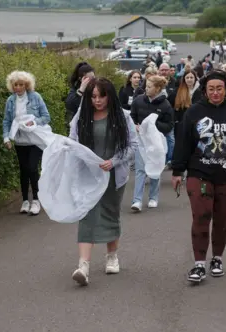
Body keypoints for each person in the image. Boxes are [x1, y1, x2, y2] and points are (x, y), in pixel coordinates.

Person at [171, 70, 226, 284]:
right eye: (211, 89)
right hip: (199, 172)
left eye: (219, 88)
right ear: (205, 90)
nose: (215, 92)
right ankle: (199, 264)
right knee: (201, 216)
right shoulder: (194, 112)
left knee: (222, 219)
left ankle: (217, 259)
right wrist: (177, 171)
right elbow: (183, 141)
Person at [69, 77, 138, 286]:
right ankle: (83, 266)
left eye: (101, 96)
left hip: (113, 176)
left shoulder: (123, 117)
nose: (97, 101)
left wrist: (114, 161)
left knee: (110, 213)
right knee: (87, 215)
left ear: (110, 96)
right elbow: (73, 142)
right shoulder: (81, 117)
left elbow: (132, 145)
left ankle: (112, 256)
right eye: (93, 97)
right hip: (89, 176)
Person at [3, 70, 51, 215]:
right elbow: (6, 121)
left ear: (26, 85)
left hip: (35, 139)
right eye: (15, 85)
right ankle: (25, 200)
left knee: (32, 168)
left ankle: (36, 200)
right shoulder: (10, 101)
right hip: (20, 140)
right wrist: (6, 138)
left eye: (21, 84)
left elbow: (46, 117)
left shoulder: (36, 97)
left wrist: (33, 122)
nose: (18, 87)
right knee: (23, 170)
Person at [130, 75, 174, 211]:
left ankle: (153, 197)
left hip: (157, 143)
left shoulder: (165, 105)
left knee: (155, 169)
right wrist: (135, 125)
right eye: (146, 86)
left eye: (149, 87)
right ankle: (137, 201)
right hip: (141, 141)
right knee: (140, 170)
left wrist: (154, 125)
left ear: (158, 88)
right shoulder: (138, 101)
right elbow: (132, 117)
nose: (146, 89)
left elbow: (169, 125)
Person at [170, 69, 202, 139]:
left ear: (195, 78)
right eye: (187, 77)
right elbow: (170, 105)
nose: (189, 79)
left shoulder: (199, 92)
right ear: (184, 79)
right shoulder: (178, 91)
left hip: (195, 124)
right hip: (181, 124)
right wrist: (175, 119)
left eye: (191, 77)